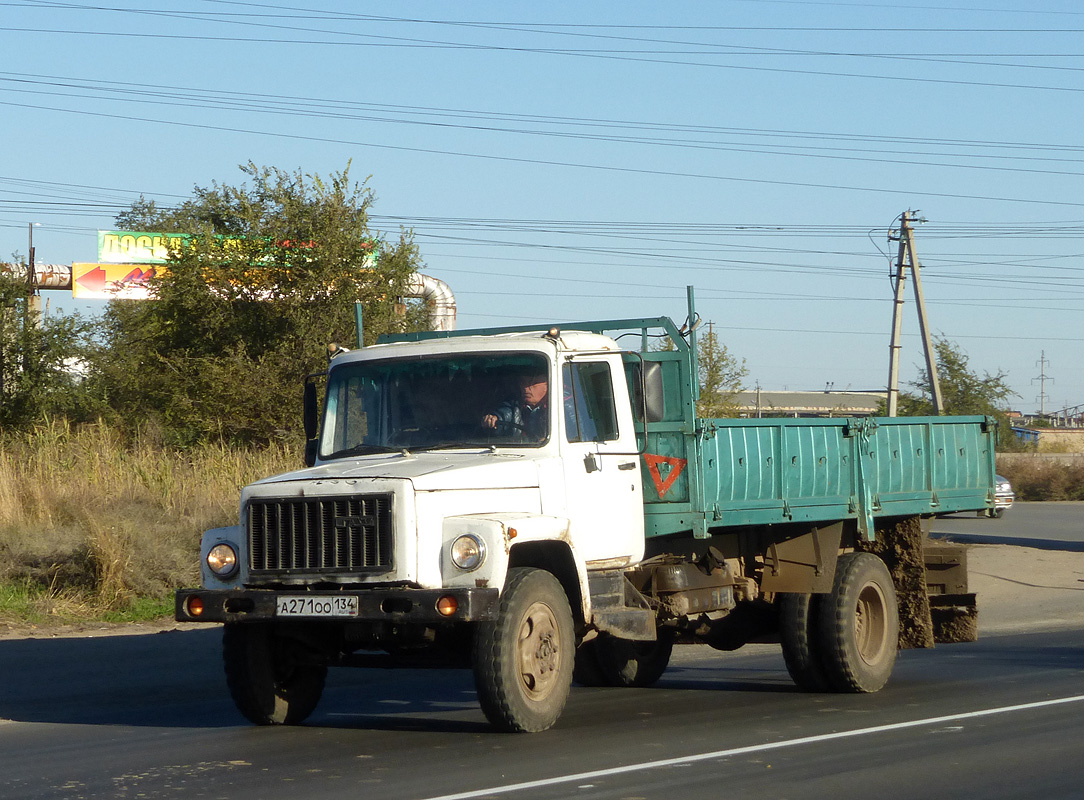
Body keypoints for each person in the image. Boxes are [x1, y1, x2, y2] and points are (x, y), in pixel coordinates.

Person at [482, 369, 549, 442]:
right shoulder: (515, 405)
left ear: (547, 385)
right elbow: (505, 413)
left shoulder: (559, 408)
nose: (525, 388)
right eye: (523, 383)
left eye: (533, 383)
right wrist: (495, 418)